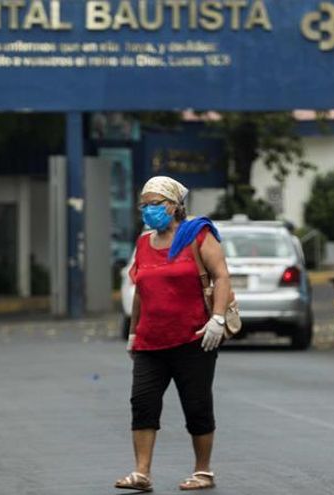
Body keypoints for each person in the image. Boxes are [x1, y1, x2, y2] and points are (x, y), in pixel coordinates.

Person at [115, 176, 233, 492]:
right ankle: (141, 473)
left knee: (196, 405)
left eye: (155, 204)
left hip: (194, 339)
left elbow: (222, 276)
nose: (149, 210)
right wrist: (132, 333)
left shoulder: (198, 236)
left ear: (174, 206)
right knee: (142, 403)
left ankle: (203, 471)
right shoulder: (143, 243)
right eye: (145, 204)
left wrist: (218, 319)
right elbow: (141, 290)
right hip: (151, 341)